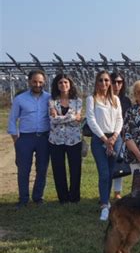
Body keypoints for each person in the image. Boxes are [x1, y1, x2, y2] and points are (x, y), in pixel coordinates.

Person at [7, 70, 51, 208]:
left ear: (44, 82)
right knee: (23, 169)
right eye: (35, 82)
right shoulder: (20, 99)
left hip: (44, 138)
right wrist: (16, 139)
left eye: (40, 82)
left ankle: (38, 197)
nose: (37, 84)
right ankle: (23, 198)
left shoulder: (49, 98)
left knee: (42, 168)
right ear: (29, 82)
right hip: (25, 138)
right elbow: (12, 119)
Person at [86, 71, 123, 221]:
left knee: (112, 171)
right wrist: (104, 138)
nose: (104, 83)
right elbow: (91, 119)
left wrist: (114, 137)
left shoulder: (115, 99)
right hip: (99, 139)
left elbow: (120, 118)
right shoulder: (91, 99)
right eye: (101, 80)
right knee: (104, 173)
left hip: (115, 138)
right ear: (96, 82)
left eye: (107, 80)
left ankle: (107, 200)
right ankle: (104, 204)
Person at [48, 73, 83, 204]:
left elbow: (78, 120)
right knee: (58, 169)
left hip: (74, 140)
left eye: (66, 82)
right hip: (55, 140)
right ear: (57, 85)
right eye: (60, 83)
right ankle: (63, 198)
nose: (63, 85)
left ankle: (74, 197)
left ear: (70, 84)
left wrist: (59, 118)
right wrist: (72, 117)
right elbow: (53, 120)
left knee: (75, 169)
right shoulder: (52, 101)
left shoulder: (77, 101)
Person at [110, 71, 132, 200]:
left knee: (118, 164)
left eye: (120, 82)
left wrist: (125, 135)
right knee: (106, 166)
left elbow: (127, 119)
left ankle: (117, 192)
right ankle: (105, 191)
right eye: (114, 82)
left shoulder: (125, 100)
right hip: (105, 135)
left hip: (121, 137)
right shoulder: (102, 98)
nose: (117, 85)